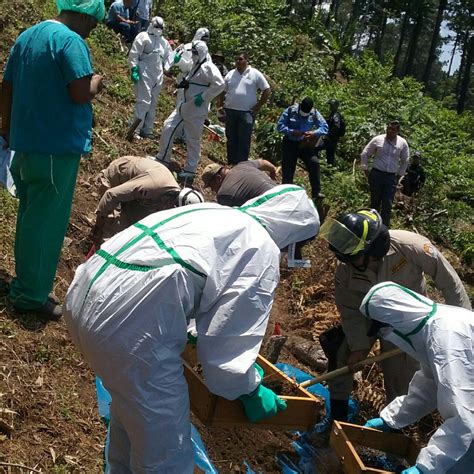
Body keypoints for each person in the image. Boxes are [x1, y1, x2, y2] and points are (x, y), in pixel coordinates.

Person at [64, 184, 320, 472]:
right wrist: (249, 389)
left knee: (129, 409)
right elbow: (227, 357)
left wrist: (191, 330)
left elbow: (185, 271)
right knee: (165, 457)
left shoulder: (214, 213)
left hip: (85, 295)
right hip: (130, 327)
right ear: (293, 236)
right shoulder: (260, 246)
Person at [0, 0, 105, 319]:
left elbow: (6, 88)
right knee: (45, 225)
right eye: (94, 22)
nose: (93, 29)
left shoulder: (28, 36)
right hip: (54, 150)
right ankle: (31, 295)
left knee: (31, 217)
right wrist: (97, 81)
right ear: (84, 14)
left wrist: (6, 133)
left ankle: (24, 282)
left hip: (26, 145)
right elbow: (80, 92)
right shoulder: (71, 41)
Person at [319, 208, 471, 422]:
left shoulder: (410, 246)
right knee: (341, 354)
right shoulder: (346, 269)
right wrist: (360, 347)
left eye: (355, 257)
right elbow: (349, 310)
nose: (351, 263)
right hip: (369, 318)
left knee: (400, 379)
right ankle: (337, 418)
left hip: (407, 323)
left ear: (374, 248)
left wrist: (464, 328)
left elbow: (449, 281)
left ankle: (397, 426)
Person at [362, 282, 473, 474]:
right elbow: (429, 384)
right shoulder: (434, 329)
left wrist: (425, 468)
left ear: (397, 319)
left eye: (384, 329)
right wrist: (392, 418)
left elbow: (463, 413)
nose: (386, 335)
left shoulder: (447, 337)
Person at [156, 40, 224, 185]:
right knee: (168, 126)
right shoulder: (196, 65)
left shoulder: (208, 67)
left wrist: (204, 97)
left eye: (195, 52)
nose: (193, 55)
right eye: (192, 52)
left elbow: (220, 84)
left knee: (193, 140)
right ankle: (163, 158)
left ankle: (190, 170)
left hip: (196, 110)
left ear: (202, 53)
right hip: (185, 106)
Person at [91, 155, 194, 244]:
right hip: (116, 179)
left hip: (136, 196)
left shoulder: (171, 196)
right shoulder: (153, 186)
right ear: (173, 201)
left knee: (134, 230)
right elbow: (111, 195)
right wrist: (99, 225)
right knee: (112, 231)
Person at [218, 52, 271, 164]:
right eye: (236, 59)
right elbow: (223, 91)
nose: (238, 61)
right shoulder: (230, 74)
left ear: (247, 60)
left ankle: (242, 165)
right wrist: (220, 106)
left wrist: (258, 106)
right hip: (230, 110)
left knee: (244, 139)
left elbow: (266, 90)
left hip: (247, 112)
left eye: (240, 59)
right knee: (231, 138)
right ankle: (231, 162)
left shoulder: (255, 74)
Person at [277, 97, 328, 206]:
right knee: (288, 168)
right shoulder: (290, 111)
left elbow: (324, 127)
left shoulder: (314, 113)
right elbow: (280, 126)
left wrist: (315, 132)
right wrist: (292, 131)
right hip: (290, 143)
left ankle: (316, 192)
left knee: (314, 163)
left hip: (305, 144)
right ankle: (286, 193)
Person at [127, 16, 172, 139]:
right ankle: (135, 129)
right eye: (156, 27)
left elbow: (169, 58)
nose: (158, 29)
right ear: (151, 25)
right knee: (144, 101)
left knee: (153, 103)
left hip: (158, 74)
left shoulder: (164, 42)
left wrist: (174, 61)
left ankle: (147, 129)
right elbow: (134, 54)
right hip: (144, 71)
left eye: (160, 27)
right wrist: (134, 68)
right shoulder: (143, 37)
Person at [360, 121, 410, 227]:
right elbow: (365, 153)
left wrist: (399, 175)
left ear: (397, 131)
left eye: (393, 129)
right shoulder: (378, 139)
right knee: (375, 202)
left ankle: (384, 229)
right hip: (377, 174)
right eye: (388, 128)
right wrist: (365, 169)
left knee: (387, 204)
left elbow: (405, 160)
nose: (390, 131)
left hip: (391, 177)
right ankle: (371, 226)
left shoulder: (402, 143)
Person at [201, 159, 277, 206]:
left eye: (211, 186)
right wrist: (273, 171)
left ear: (218, 178)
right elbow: (263, 162)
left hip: (274, 207)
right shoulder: (243, 165)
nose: (213, 190)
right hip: (284, 192)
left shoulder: (224, 194)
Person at [317, 99, 345, 166]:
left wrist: (328, 135)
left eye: (332, 105)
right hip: (333, 139)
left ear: (336, 106)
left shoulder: (336, 115)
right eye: (330, 105)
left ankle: (315, 165)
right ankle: (330, 170)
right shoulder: (332, 114)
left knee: (316, 148)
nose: (330, 107)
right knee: (330, 155)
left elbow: (336, 126)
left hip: (331, 139)